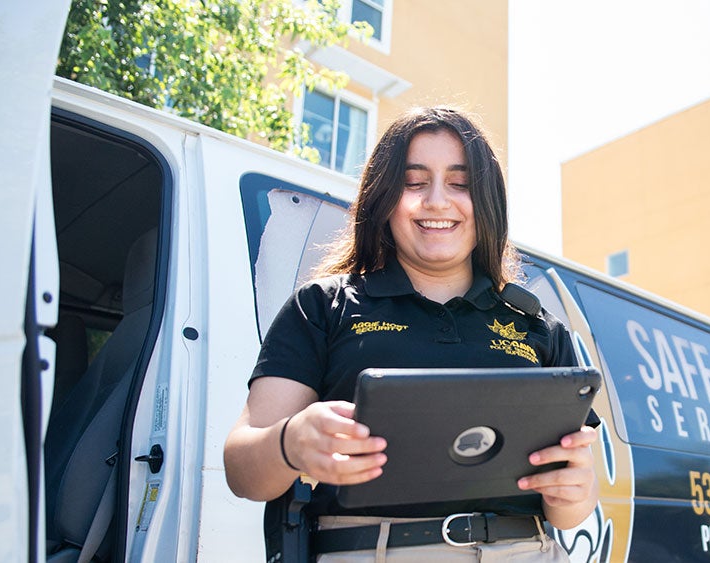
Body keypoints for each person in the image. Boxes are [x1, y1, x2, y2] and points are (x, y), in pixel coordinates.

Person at [224, 106, 600, 561]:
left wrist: (574, 493)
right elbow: (242, 471)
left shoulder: (539, 327)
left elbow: (570, 507)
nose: (437, 201)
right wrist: (290, 442)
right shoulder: (323, 306)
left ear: (487, 203)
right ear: (383, 198)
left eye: (460, 184)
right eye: (414, 182)